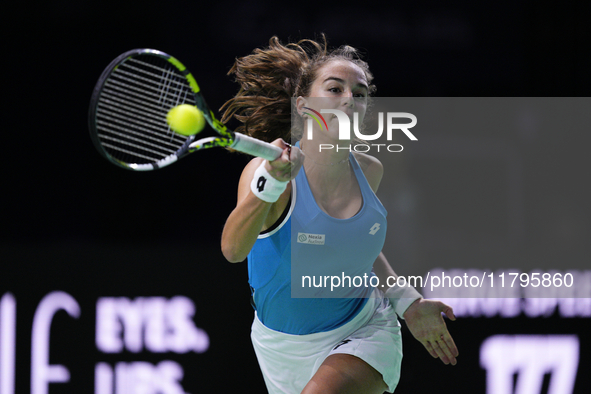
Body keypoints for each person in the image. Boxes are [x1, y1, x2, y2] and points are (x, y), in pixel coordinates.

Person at [220, 35, 458, 394]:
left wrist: (406, 302)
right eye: (334, 89)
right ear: (302, 104)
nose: (349, 99)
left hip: (363, 328)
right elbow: (233, 250)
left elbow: (356, 248)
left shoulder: (370, 170)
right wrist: (270, 182)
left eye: (359, 94)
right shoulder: (265, 172)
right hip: (279, 346)